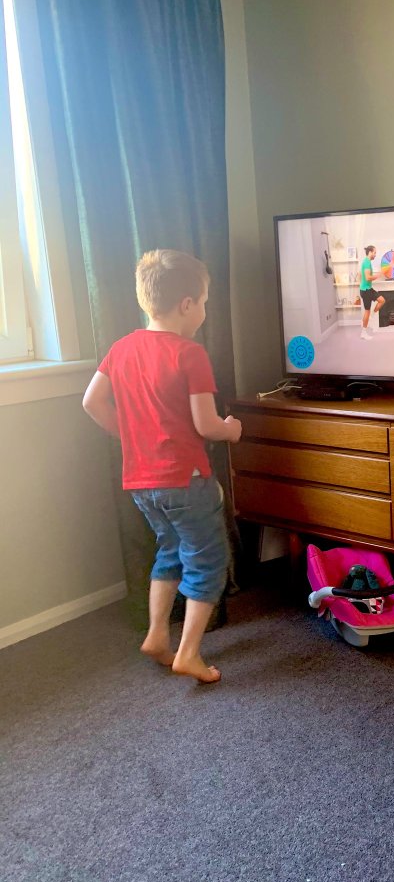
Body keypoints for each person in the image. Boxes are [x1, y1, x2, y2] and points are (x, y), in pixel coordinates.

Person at [83, 249, 242, 684]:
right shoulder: (189, 354)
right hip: (185, 480)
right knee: (208, 562)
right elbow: (206, 425)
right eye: (204, 302)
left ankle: (157, 635)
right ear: (187, 305)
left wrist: (132, 436)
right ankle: (188, 653)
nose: (204, 311)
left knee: (169, 551)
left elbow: (92, 402)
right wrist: (232, 430)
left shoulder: (121, 348)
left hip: (141, 482)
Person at [359, 245, 386, 339]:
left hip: (368, 289)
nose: (375, 255)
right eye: (374, 253)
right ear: (370, 252)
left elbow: (361, 275)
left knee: (382, 300)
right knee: (367, 311)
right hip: (366, 291)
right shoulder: (366, 262)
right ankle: (363, 333)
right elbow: (367, 277)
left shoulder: (367, 262)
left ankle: (371, 316)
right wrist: (379, 275)